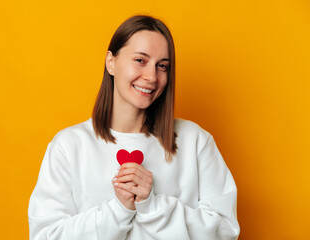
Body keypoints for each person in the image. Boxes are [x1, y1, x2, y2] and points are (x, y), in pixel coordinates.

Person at [28, 15, 240, 239]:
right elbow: (45, 235)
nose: (151, 76)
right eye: (140, 60)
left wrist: (152, 207)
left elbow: (225, 230)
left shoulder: (195, 140)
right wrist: (119, 209)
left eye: (162, 66)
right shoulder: (68, 146)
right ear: (111, 62)